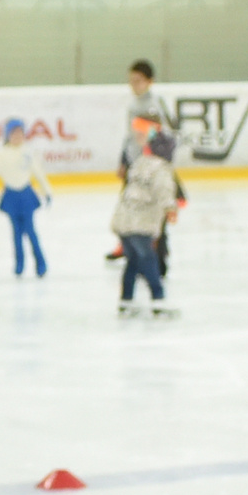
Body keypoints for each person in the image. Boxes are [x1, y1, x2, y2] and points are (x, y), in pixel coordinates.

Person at [111, 128, 181, 318]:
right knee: (149, 261)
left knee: (132, 262)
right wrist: (170, 208)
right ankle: (159, 300)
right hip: (140, 224)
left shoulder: (139, 163)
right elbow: (164, 190)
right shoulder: (162, 169)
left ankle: (126, 301)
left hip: (123, 221)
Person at [0, 118, 52, 277]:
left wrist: (47, 192)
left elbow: (39, 173)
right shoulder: (1, 154)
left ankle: (41, 263)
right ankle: (19, 264)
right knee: (16, 233)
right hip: (11, 197)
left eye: (20, 133)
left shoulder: (28, 153)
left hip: (26, 196)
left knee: (31, 231)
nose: (17, 136)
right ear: (7, 135)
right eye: (14, 133)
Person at [109, 59, 168, 263]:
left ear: (150, 82)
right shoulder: (134, 104)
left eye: (138, 81)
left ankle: (158, 257)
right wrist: (123, 160)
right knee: (130, 207)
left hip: (149, 167)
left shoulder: (153, 106)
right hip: (134, 165)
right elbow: (130, 137)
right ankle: (128, 247)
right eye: (131, 81)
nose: (134, 85)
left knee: (152, 210)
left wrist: (156, 166)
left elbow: (160, 137)